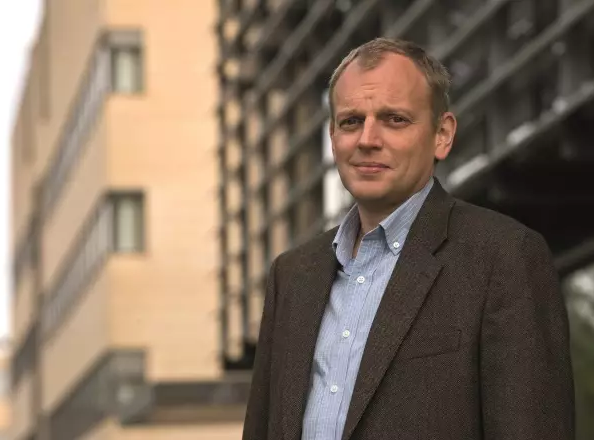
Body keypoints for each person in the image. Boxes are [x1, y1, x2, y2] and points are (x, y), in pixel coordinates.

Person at [242, 37, 575, 440]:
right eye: (351, 121)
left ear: (442, 134)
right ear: (332, 136)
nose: (367, 139)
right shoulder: (292, 276)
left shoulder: (503, 258)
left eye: (394, 119)